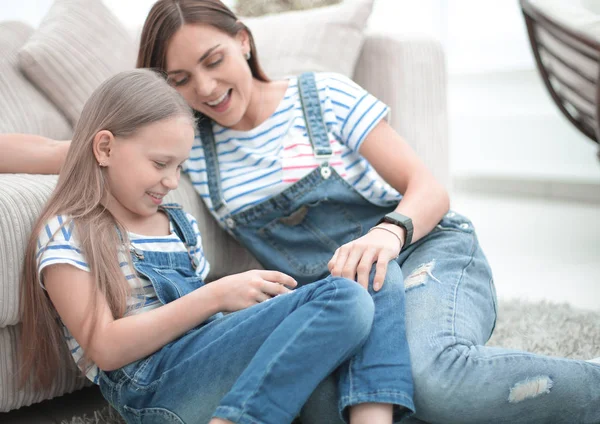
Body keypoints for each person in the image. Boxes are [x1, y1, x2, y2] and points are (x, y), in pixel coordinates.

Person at [2, 0, 599, 423]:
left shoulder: (322, 95)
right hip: (348, 293)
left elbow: (429, 188)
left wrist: (388, 235)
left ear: (243, 39)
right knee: (361, 389)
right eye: (181, 80)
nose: (206, 89)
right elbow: (82, 150)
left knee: (432, 380)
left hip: (422, 252)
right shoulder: (189, 151)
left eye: (213, 60)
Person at [18, 69, 415, 424]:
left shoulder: (178, 224)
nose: (172, 181)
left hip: (212, 373)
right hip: (156, 390)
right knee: (343, 297)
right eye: (160, 164)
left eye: (179, 167)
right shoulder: (68, 233)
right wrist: (217, 295)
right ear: (104, 148)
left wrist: (257, 311)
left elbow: (214, 339)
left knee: (369, 287)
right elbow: (105, 348)